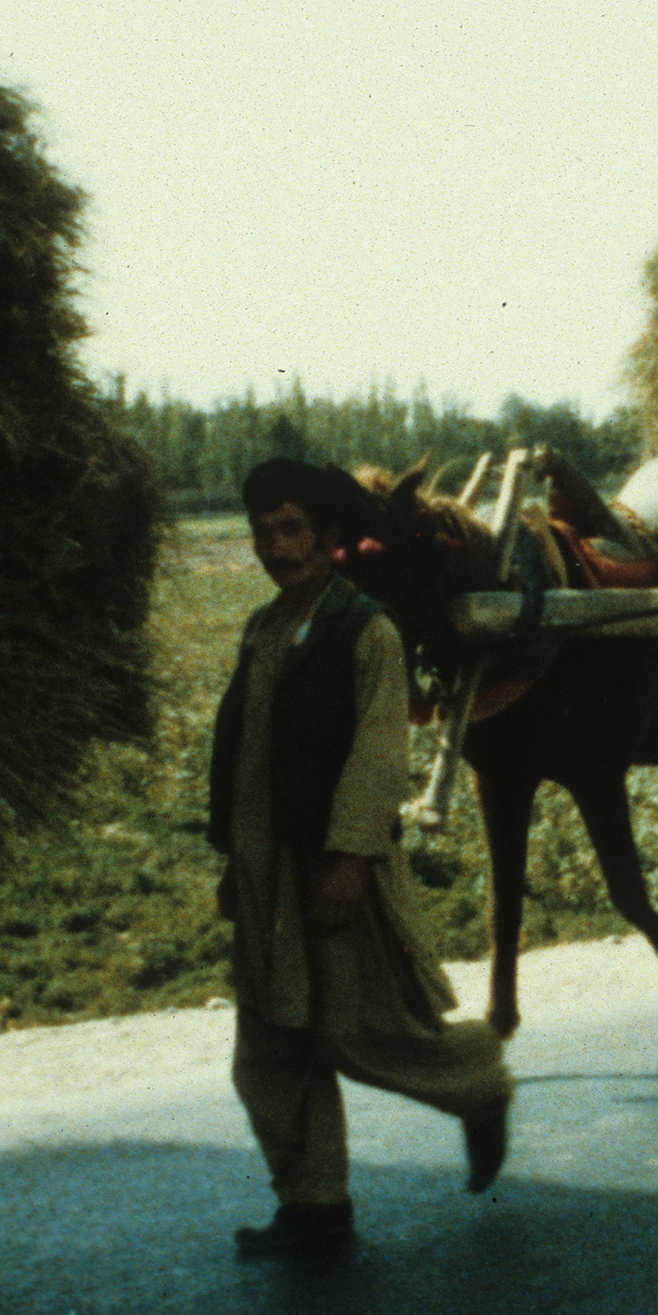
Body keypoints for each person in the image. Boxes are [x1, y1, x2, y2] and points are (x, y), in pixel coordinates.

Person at [208, 457, 513, 1259]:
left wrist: (347, 860)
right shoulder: (264, 629)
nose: (276, 547)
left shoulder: (366, 631)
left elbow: (380, 753)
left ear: (329, 539)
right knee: (269, 1047)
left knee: (358, 1032)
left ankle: (480, 1082)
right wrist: (236, 863)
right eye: (264, 532)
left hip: (338, 872)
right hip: (269, 875)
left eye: (292, 530)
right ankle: (315, 1207)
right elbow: (243, 756)